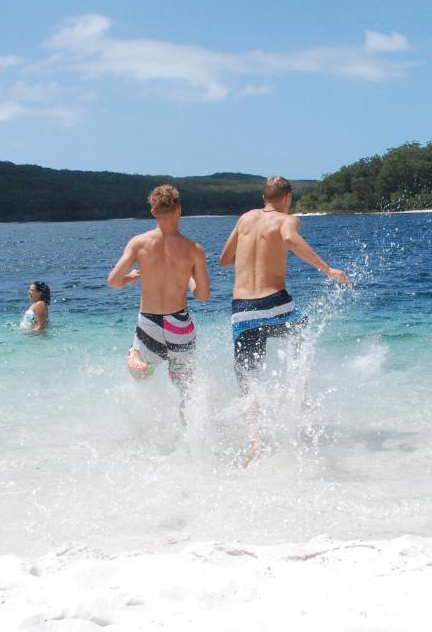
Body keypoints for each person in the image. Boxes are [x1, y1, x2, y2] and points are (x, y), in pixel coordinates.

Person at [220, 176, 351, 465]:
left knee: (247, 380)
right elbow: (291, 240)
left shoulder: (244, 219)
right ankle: (299, 395)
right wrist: (327, 269)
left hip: (241, 309)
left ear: (264, 196)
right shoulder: (286, 220)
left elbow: (225, 259)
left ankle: (255, 442)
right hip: (273, 302)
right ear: (287, 197)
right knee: (300, 330)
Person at [107, 185, 210, 425]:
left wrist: (133, 277)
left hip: (149, 321)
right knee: (185, 386)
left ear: (153, 212)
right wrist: (191, 279)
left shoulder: (139, 243)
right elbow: (203, 296)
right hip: (179, 323)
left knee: (141, 372)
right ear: (179, 210)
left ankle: (138, 358)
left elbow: (113, 281)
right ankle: (187, 430)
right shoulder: (194, 249)